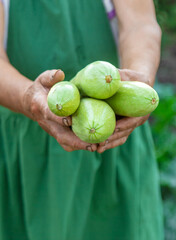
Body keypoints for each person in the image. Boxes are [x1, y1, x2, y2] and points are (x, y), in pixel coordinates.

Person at [0, 0, 163, 239]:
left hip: (114, 136)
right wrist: (28, 99)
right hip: (25, 149)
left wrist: (137, 86)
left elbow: (140, 25)